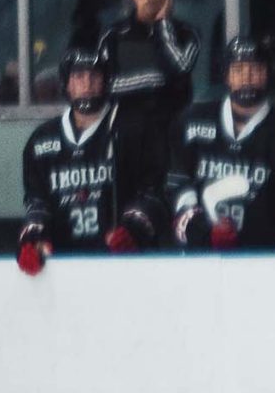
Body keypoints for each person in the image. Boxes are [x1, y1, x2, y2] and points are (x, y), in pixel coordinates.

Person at [166, 35, 275, 250]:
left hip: (264, 262)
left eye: (255, 70)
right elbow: (177, 186)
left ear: (268, 74)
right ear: (226, 76)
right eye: (238, 70)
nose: (247, 77)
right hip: (200, 262)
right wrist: (202, 231)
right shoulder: (192, 122)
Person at [16, 41, 165, 270]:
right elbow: (37, 202)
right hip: (63, 265)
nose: (87, 84)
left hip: (123, 263)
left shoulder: (132, 130)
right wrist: (32, 239)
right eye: (78, 77)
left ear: (106, 81)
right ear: (66, 84)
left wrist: (134, 229)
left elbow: (152, 192)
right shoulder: (41, 141)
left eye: (94, 76)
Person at [101, 0, 201, 140]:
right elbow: (107, 87)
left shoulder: (187, 34)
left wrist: (163, 26)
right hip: (126, 139)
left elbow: (181, 68)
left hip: (174, 137)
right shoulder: (113, 35)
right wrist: (158, 80)